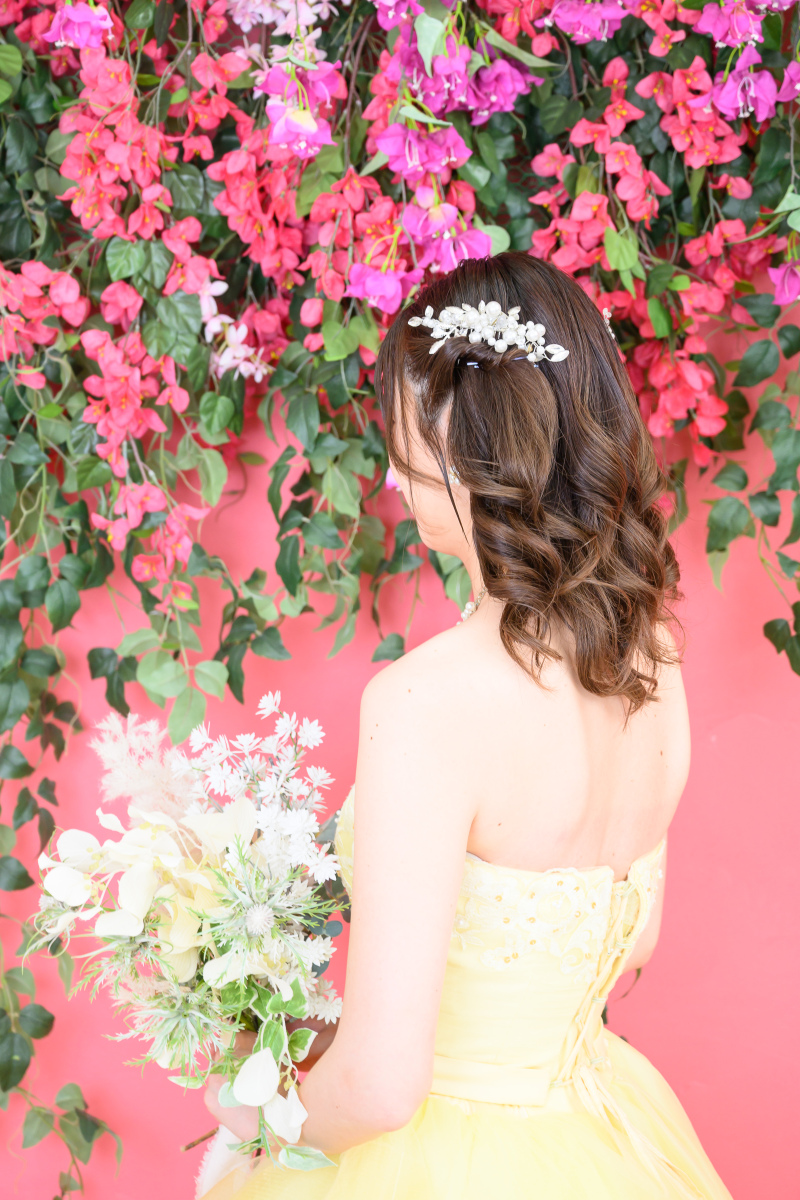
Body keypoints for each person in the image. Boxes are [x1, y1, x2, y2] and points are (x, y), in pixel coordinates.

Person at [200, 252, 733, 1199]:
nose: (398, 472)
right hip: (602, 1132)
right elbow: (632, 944)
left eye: (410, 433)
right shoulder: (651, 647)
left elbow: (380, 1087)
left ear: (473, 441)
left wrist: (250, 1120)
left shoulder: (428, 701)